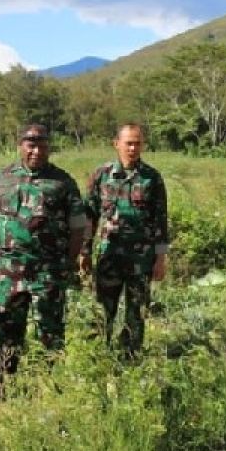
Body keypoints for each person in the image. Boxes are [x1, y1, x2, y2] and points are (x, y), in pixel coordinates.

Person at [0, 124, 85, 375]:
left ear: (49, 148)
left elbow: (78, 227)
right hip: (7, 272)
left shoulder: (63, 182)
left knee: (51, 333)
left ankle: (50, 385)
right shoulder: (1, 178)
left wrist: (67, 262)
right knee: (6, 332)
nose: (36, 151)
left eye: (42, 146)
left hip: (47, 272)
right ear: (21, 147)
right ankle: (4, 385)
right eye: (31, 145)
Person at [80, 123, 169, 357]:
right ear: (116, 144)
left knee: (137, 312)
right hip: (109, 257)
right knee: (102, 310)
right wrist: (85, 252)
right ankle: (98, 356)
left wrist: (160, 259)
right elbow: (89, 216)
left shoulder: (152, 178)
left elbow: (160, 221)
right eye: (128, 143)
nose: (132, 148)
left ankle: (131, 358)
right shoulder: (101, 175)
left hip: (141, 260)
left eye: (137, 143)